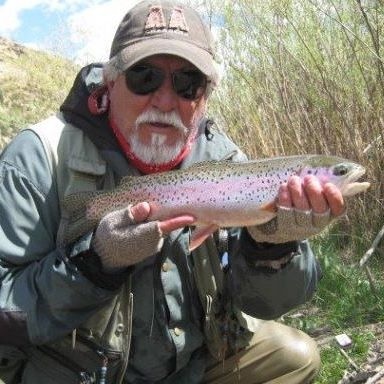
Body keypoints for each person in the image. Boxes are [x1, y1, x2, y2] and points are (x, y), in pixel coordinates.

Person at [0, 1, 345, 383]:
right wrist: (94, 264)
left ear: (205, 95)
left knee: (294, 357)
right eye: (144, 77)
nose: (165, 100)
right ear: (110, 81)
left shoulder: (227, 161)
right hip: (82, 376)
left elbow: (269, 303)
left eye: (187, 83)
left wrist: (274, 248)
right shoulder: (39, 157)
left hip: (191, 368)